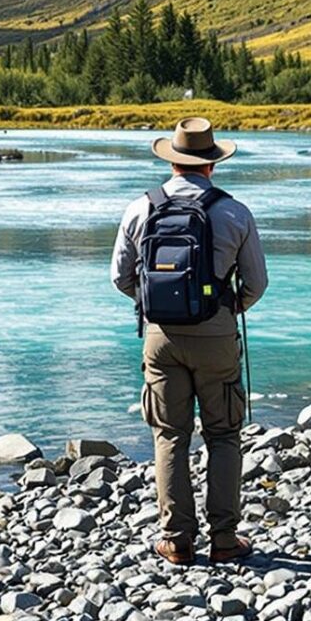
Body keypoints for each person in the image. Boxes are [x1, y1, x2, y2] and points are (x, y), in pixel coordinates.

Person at [111, 117, 269, 567]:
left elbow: (120, 278)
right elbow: (256, 283)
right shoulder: (235, 212)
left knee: (169, 435)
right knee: (223, 435)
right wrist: (225, 308)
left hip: (160, 337)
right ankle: (224, 540)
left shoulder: (140, 208)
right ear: (212, 165)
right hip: (217, 332)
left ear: (173, 161)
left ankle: (177, 541)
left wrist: (158, 306)